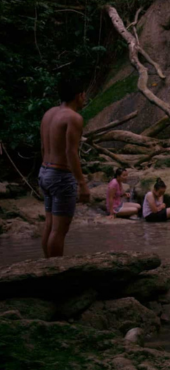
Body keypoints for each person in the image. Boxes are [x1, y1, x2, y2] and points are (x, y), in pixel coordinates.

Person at [39, 77, 90, 258]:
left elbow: (43, 147)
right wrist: (82, 183)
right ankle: (56, 273)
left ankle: (46, 267)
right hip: (60, 174)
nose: (85, 98)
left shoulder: (49, 114)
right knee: (59, 230)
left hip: (44, 171)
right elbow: (71, 152)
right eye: (84, 95)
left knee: (50, 225)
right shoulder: (74, 118)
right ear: (79, 96)